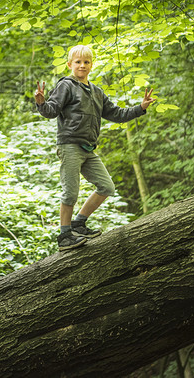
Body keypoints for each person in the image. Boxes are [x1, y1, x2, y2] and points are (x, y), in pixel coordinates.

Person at [35, 44, 156, 251]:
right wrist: (41, 103)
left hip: (88, 148)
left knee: (106, 187)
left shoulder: (97, 92)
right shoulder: (66, 86)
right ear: (70, 64)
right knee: (70, 192)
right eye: (78, 62)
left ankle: (79, 224)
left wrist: (140, 108)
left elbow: (117, 114)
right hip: (70, 145)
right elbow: (52, 111)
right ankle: (65, 236)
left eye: (86, 62)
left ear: (92, 65)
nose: (82, 65)